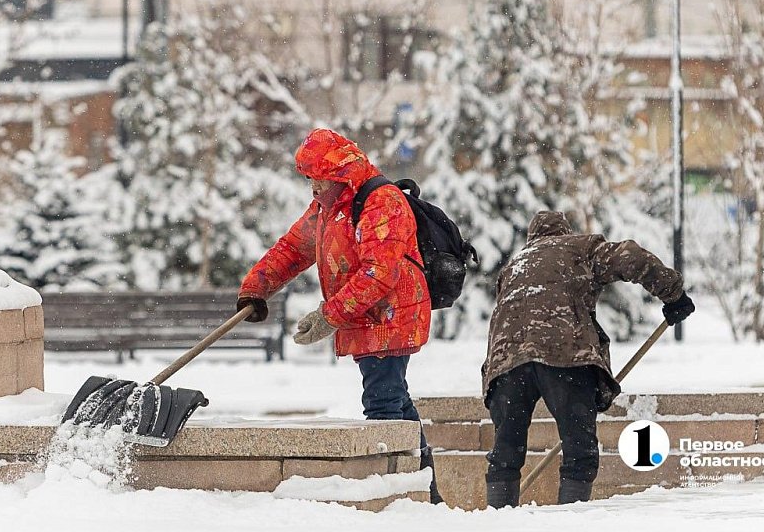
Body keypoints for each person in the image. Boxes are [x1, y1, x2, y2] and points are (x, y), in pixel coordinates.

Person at [237, 128, 441, 503]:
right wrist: (256, 287)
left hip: (391, 317)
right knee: (396, 401)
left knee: (382, 404)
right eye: (310, 179)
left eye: (320, 179)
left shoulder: (382, 202)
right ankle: (425, 492)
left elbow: (378, 273)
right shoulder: (329, 207)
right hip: (367, 316)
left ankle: (396, 496)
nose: (314, 187)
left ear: (340, 175)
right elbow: (293, 248)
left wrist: (328, 317)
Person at [482, 211, 695, 507]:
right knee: (578, 450)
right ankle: (572, 519)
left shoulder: (514, 266)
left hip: (506, 363)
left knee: (505, 452)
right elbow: (630, 257)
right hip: (564, 354)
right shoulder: (580, 248)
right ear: (564, 232)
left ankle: (498, 519)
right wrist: (673, 294)